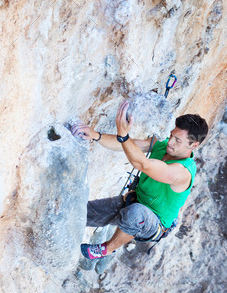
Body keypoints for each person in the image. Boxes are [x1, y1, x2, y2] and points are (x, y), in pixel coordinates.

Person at [71, 101, 209, 260]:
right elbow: (128, 145)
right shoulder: (163, 145)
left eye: (178, 140)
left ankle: (107, 249)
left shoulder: (182, 172)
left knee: (135, 213)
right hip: (133, 201)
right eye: (172, 135)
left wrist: (123, 135)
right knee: (82, 212)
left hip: (154, 222)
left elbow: (142, 164)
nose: (170, 142)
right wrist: (96, 135)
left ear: (194, 145)